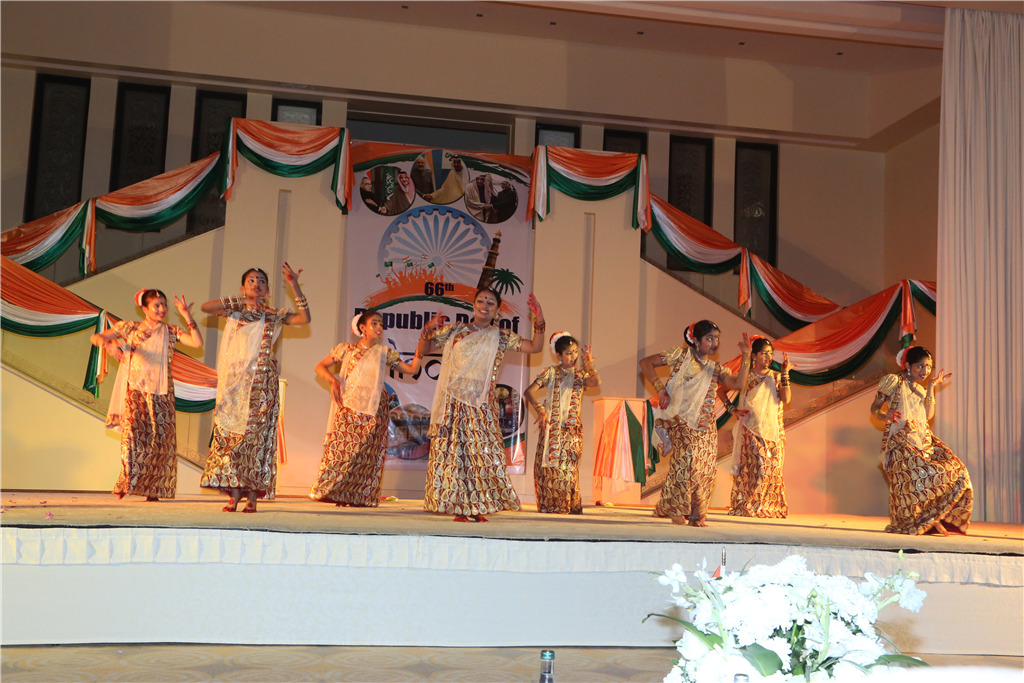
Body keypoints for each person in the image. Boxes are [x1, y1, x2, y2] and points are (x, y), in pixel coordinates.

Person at [415, 287, 547, 522]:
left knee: (481, 453)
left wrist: (539, 320)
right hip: (454, 403)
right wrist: (427, 331)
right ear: (473, 304)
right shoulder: (455, 331)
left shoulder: (501, 336)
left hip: (482, 403)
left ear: (497, 310)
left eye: (491, 302)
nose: (485, 305)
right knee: (456, 453)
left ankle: (478, 505)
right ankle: (459, 506)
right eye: (481, 301)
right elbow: (424, 350)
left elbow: (535, 347)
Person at [199, 264, 311, 513]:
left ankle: (252, 496)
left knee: (256, 439)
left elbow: (304, 319)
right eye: (251, 280)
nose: (256, 284)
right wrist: (243, 300)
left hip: (263, 383)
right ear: (242, 288)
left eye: (261, 281)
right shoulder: (234, 312)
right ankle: (234, 493)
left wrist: (294, 286)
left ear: (268, 290)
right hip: (235, 382)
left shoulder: (273, 315)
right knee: (231, 437)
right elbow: (206, 307)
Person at [90, 289, 203, 501]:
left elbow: (197, 343)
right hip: (135, 391)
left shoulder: (170, 331)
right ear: (144, 308)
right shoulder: (129, 327)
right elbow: (96, 337)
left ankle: (153, 490)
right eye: (156, 305)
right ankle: (127, 481)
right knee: (132, 439)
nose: (162, 309)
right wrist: (109, 346)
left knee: (159, 442)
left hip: (161, 393)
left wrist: (187, 316)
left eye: (164, 304)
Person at [639, 321, 751, 526]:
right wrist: (660, 389)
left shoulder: (715, 370)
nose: (715, 343)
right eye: (709, 338)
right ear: (696, 341)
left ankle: (693, 513)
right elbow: (646, 363)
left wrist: (746, 356)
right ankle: (678, 509)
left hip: (705, 425)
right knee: (688, 461)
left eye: (717, 338)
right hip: (680, 420)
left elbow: (738, 384)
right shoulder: (679, 356)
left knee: (705, 468)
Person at [309, 310, 422, 507]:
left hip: (374, 411)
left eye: (381, 324)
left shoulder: (384, 353)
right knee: (342, 452)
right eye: (374, 323)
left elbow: (412, 370)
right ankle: (335, 492)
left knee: (368, 454)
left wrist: (422, 347)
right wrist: (333, 381)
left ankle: (359, 496)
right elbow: (320, 367)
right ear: (362, 328)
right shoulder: (346, 349)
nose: (379, 327)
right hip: (348, 409)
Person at [870, 346, 972, 535]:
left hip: (921, 439)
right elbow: (874, 407)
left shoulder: (920, 390)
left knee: (957, 469)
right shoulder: (893, 382)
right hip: (899, 441)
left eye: (928, 367)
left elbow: (928, 415)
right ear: (908, 366)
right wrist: (884, 415)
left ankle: (932, 519)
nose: (925, 371)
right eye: (920, 366)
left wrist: (931, 387)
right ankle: (922, 521)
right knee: (913, 482)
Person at [525, 332, 600, 514]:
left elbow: (595, 382)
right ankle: (553, 505)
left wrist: (589, 365)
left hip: (572, 431)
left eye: (575, 352)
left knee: (569, 469)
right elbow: (529, 392)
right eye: (568, 353)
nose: (573, 356)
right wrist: (540, 409)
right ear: (558, 355)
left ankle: (569, 505)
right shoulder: (550, 373)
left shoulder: (580, 375)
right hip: (552, 429)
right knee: (549, 468)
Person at [728, 336, 792, 518]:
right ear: (754, 356)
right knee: (758, 468)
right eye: (764, 353)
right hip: (751, 432)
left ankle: (770, 506)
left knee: (774, 468)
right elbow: (721, 390)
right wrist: (733, 410)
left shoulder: (776, 377)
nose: (768, 357)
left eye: (770, 353)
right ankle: (750, 505)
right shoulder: (746, 377)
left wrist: (785, 373)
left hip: (774, 432)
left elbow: (786, 399)